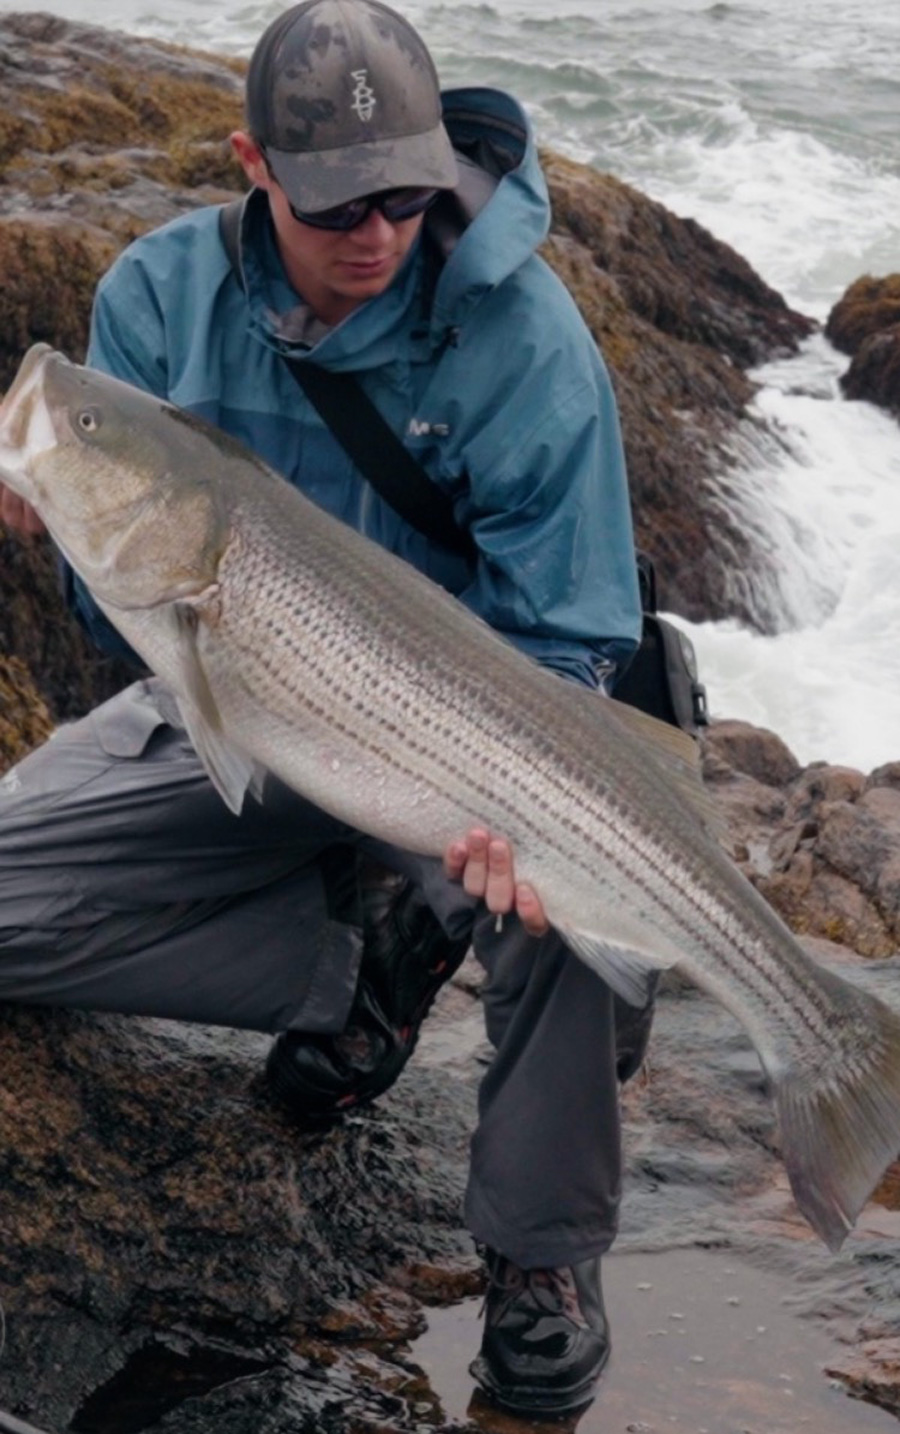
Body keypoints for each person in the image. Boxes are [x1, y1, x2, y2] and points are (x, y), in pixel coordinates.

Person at [0, 0, 645, 1417]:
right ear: (253, 163)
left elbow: (573, 641)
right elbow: (130, 589)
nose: (377, 234)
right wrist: (47, 512)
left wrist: (508, 823)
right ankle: (346, 964)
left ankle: (540, 1255)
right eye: (339, 204)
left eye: (406, 197)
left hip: (466, 738)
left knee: (577, 886)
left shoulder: (527, 343)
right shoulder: (154, 302)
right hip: (227, 709)